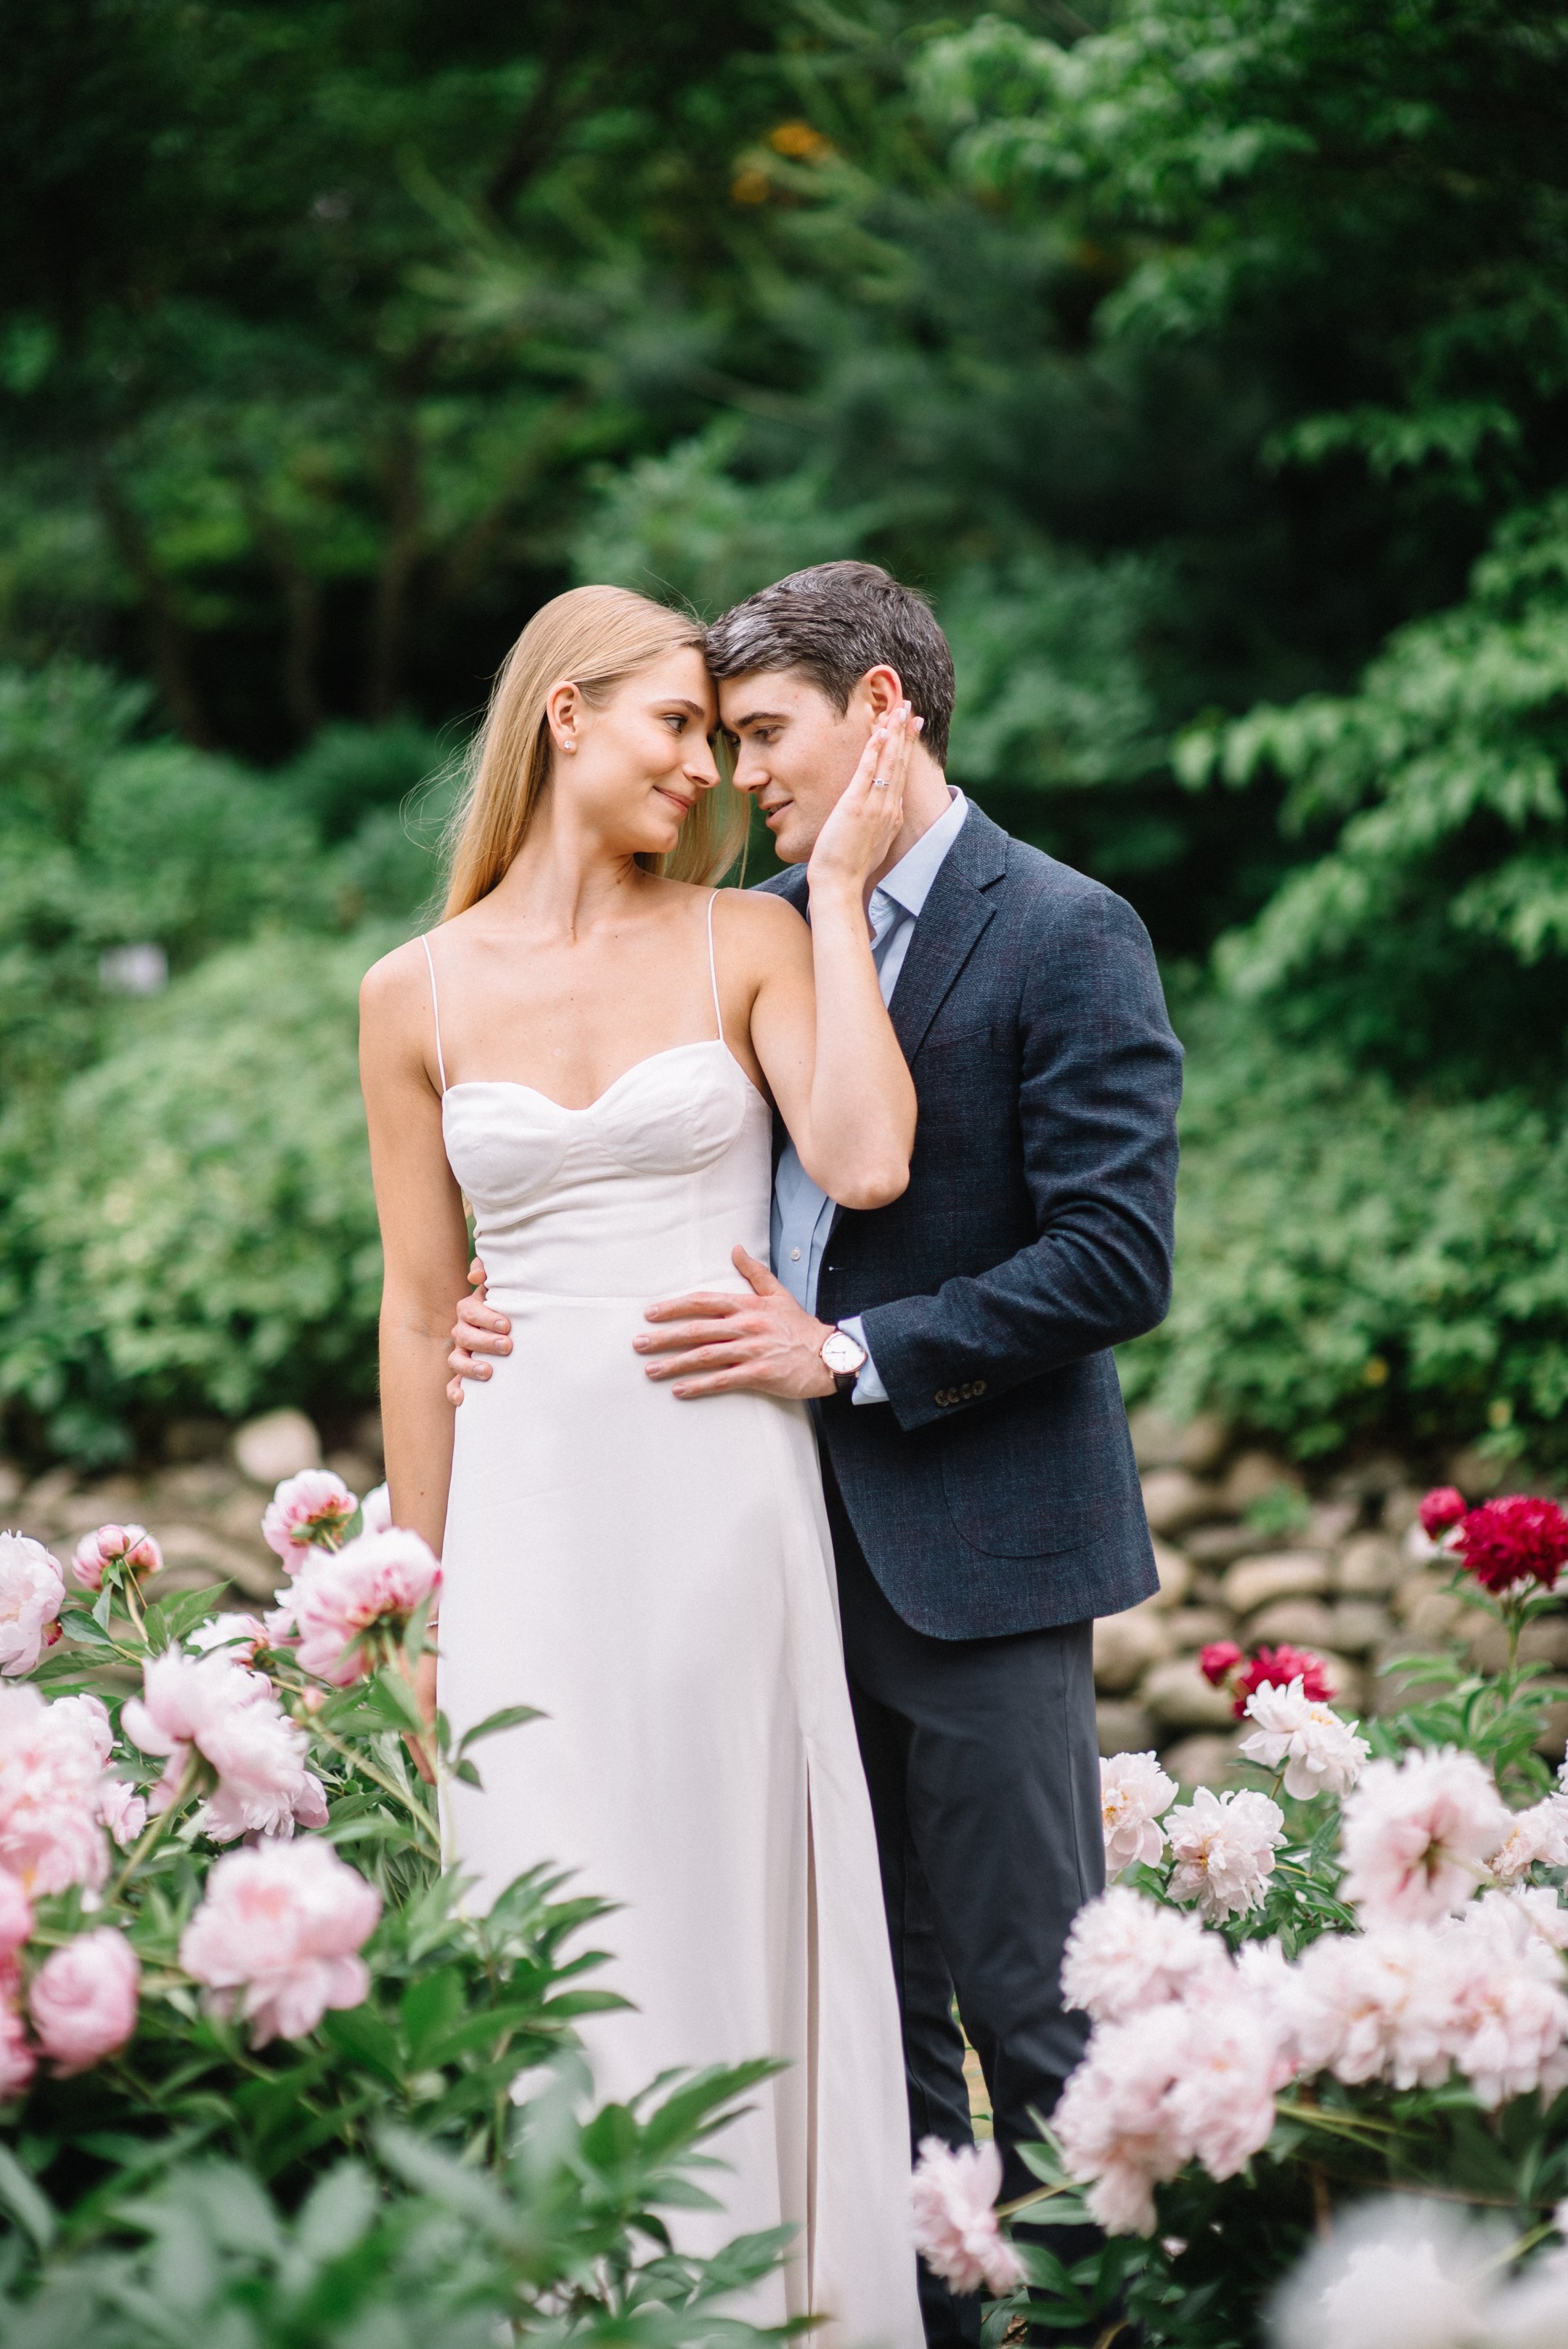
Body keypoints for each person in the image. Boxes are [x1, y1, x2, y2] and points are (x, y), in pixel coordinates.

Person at [452, 562, 1183, 2347]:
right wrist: (515, 1284)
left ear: (882, 713)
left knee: (1037, 2012)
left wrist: (846, 1351)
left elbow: (1115, 1255)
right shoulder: (765, 924)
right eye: (708, 732)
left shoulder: (1069, 925)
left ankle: (1121, 2325)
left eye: (761, 732)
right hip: (759, 1556)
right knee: (869, 2033)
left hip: (982, 1548)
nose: (733, 775)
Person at [359, 582, 926, 2345]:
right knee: (547, 1886)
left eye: (720, 730)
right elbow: (415, 1303)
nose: (708, 763)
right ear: (567, 720)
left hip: (715, 1498)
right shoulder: (411, 994)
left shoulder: (741, 938)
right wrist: (414, 1609)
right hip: (524, 1503)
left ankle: (775, 2307)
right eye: (678, 724)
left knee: (713, 1878)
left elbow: (866, 1157)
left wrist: (830, 894)